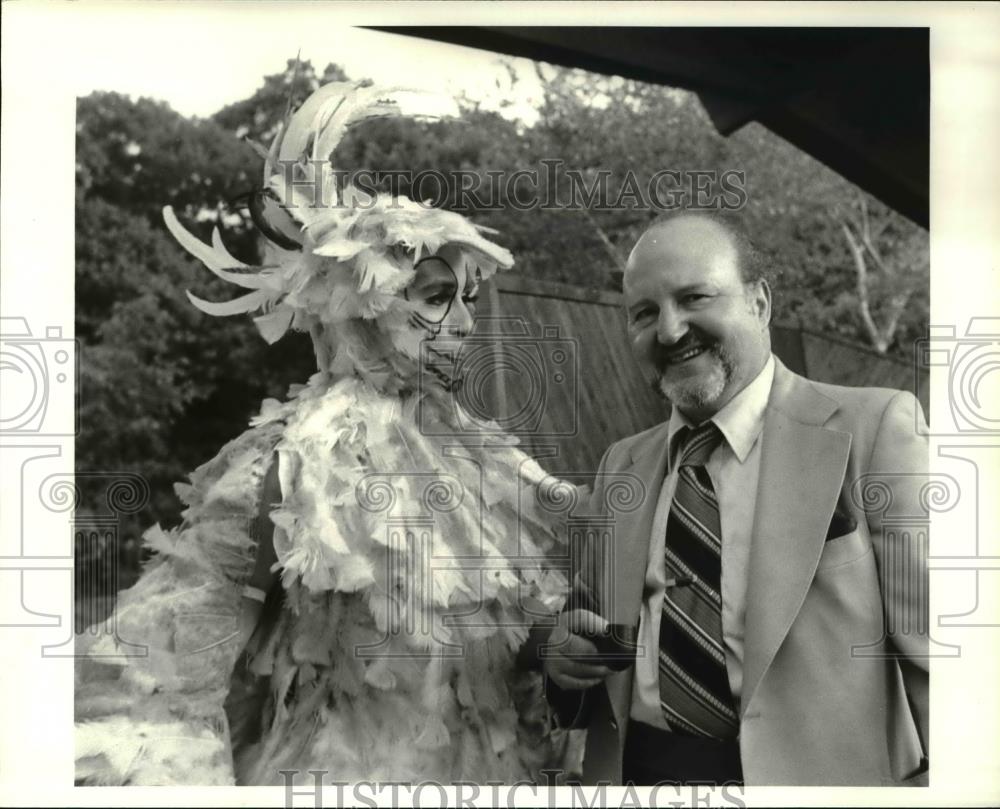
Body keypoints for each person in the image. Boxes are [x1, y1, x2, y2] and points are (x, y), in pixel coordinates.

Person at [74, 81, 572, 786]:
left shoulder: (481, 455)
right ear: (359, 307)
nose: (463, 324)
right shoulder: (280, 461)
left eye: (466, 298)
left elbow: (514, 632)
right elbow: (173, 668)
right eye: (434, 297)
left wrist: (559, 649)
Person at [541, 212, 929, 786]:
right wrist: (564, 657)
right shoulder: (621, 462)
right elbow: (596, 638)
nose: (669, 332)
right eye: (644, 313)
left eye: (694, 297)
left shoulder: (876, 429)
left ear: (761, 303)